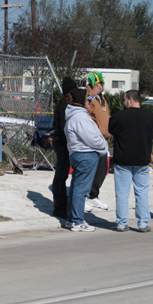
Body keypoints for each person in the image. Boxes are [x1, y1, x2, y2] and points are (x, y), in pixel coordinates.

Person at [108, 90, 153, 232]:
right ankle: (143, 223)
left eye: (125, 99)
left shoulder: (120, 116)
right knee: (142, 192)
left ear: (130, 99)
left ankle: (121, 223)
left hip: (123, 159)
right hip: (142, 159)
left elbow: (110, 129)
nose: (124, 102)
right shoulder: (151, 116)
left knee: (122, 193)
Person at [65, 88, 109, 231]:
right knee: (81, 189)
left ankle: (71, 218)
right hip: (85, 155)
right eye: (88, 99)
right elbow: (92, 138)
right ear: (81, 101)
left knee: (76, 187)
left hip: (78, 154)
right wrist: (103, 147)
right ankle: (77, 221)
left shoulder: (74, 115)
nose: (90, 102)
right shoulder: (80, 117)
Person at [51, 77, 78, 220]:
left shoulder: (67, 106)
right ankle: (58, 206)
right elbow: (62, 129)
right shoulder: (63, 108)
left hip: (65, 143)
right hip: (62, 144)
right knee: (60, 175)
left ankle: (63, 202)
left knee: (63, 175)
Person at [85, 70, 110, 212]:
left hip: (103, 141)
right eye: (100, 83)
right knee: (90, 169)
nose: (103, 85)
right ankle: (84, 196)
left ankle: (93, 195)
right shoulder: (88, 98)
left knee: (102, 169)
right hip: (92, 140)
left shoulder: (102, 98)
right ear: (95, 83)